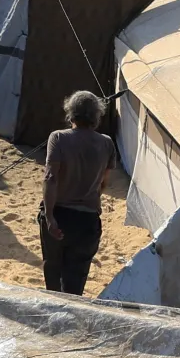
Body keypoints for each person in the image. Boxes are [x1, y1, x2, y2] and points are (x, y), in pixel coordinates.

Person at [40, 90, 116, 294]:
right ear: (96, 116)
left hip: (59, 214)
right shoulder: (106, 143)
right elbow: (103, 183)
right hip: (87, 220)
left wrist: (49, 217)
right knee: (76, 281)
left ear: (70, 113)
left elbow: (50, 178)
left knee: (53, 273)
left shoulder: (58, 137)